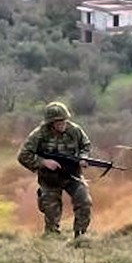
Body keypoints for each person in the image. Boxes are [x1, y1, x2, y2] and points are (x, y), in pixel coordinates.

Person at [17, 101, 93, 238]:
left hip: (72, 175)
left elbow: (85, 145)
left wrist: (83, 157)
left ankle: (80, 236)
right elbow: (23, 155)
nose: (62, 125)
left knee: (84, 201)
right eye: (58, 122)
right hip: (49, 179)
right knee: (51, 213)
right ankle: (52, 240)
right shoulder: (38, 135)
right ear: (50, 123)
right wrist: (43, 162)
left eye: (64, 121)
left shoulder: (74, 130)